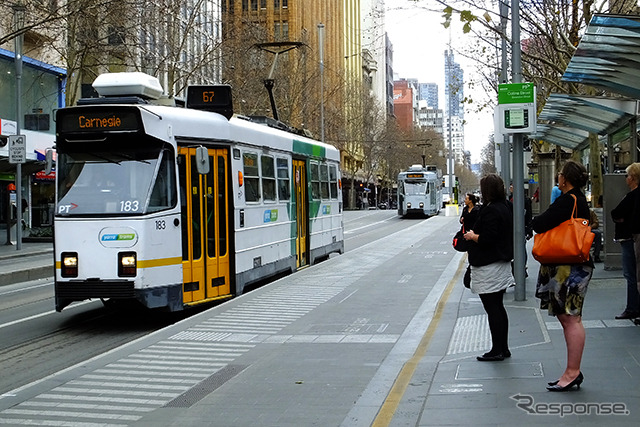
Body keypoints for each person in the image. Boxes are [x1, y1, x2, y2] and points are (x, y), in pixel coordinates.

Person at [531, 160, 592, 391]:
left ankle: (573, 371)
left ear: (564, 179)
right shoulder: (576, 199)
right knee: (569, 317)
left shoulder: (569, 200)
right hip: (569, 265)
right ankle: (571, 370)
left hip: (569, 267)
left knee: (570, 318)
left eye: (560, 174)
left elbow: (540, 223)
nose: (558, 177)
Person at [463, 174, 513, 361]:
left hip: (489, 264)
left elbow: (488, 238)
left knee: (492, 307)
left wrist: (472, 236)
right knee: (498, 306)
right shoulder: (505, 206)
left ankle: (497, 349)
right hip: (500, 262)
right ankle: (502, 347)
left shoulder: (491, 210)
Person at [611, 163, 640, 320]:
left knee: (631, 274)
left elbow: (616, 212)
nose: (625, 179)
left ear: (633, 178)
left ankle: (632, 307)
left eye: (627, 176)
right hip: (631, 237)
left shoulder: (632, 196)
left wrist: (621, 219)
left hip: (629, 238)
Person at [460, 193, 480, 287]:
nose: (465, 200)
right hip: (466, 234)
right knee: (469, 250)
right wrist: (461, 219)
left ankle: (472, 268)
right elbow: (461, 218)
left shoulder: (477, 209)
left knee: (473, 250)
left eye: (466, 198)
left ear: (471, 200)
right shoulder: (465, 209)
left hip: (474, 234)